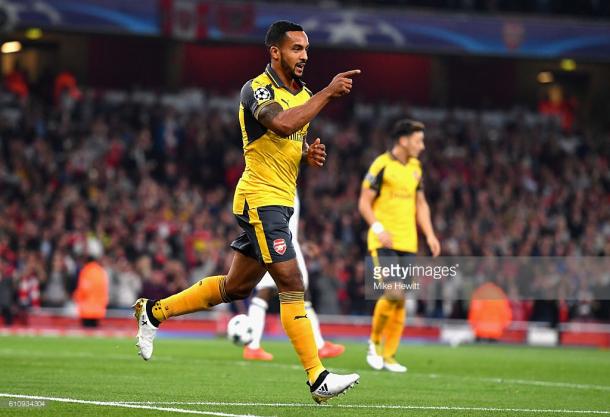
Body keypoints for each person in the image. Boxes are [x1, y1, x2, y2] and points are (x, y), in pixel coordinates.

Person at [133, 20, 361, 403]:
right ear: (275, 52)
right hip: (259, 198)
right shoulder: (256, 89)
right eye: (296, 49)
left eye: (306, 49)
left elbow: (285, 142)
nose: (304, 56)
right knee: (291, 283)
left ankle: (153, 312)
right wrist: (327, 93)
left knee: (234, 287)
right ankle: (317, 378)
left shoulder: (301, 93)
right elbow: (281, 123)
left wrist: (306, 155)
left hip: (281, 201)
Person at [358, 119, 440, 373]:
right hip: (384, 241)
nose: (422, 146)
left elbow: (421, 204)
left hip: (408, 242)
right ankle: (373, 344)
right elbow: (363, 202)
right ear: (403, 140)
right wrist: (379, 229)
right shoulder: (381, 164)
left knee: (402, 299)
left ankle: (390, 356)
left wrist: (430, 234)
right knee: (393, 292)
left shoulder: (416, 167)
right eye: (418, 140)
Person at [243, 193, 345, 361]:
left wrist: (302, 245)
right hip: (277, 242)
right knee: (267, 291)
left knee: (296, 293)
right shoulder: (276, 182)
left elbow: (288, 222)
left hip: (287, 242)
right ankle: (253, 345)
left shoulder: (289, 182)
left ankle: (319, 345)